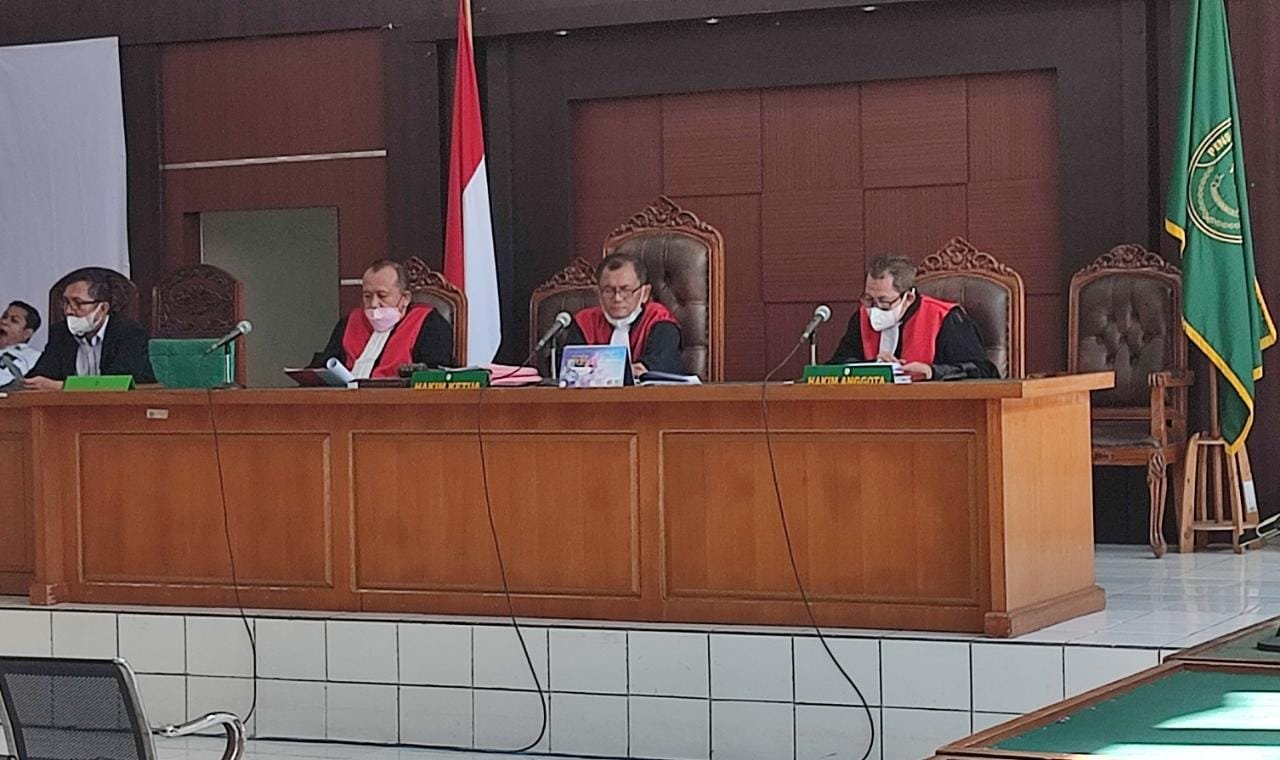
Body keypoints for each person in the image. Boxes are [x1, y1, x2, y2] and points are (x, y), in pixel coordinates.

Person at [827, 253, 998, 380]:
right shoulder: (862, 318)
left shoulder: (945, 318)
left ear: (908, 297)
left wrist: (932, 372)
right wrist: (872, 367)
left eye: (884, 301)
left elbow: (983, 371)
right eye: (869, 299)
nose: (875, 308)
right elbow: (836, 366)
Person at [312, 259, 454, 378]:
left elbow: (435, 376)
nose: (374, 304)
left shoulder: (429, 323)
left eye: (382, 295)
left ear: (405, 298)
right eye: (367, 296)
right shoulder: (349, 322)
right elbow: (324, 367)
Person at [25, 272, 156, 389]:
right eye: (66, 302)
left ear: (103, 308)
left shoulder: (129, 333)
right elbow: (41, 376)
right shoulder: (61, 332)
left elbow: (119, 383)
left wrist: (62, 386)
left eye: (78, 303)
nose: (68, 311)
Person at [563, 252, 684, 376]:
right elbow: (570, 369)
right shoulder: (585, 322)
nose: (617, 298)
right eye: (608, 291)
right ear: (599, 294)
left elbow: (658, 366)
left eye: (625, 290)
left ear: (645, 293)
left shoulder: (660, 320)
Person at [0, 301, 42, 388]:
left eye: (14, 320)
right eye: (4, 317)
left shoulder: (35, 357)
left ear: (26, 333)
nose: (4, 322)